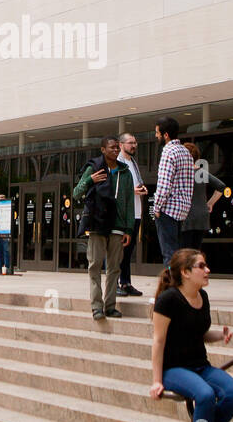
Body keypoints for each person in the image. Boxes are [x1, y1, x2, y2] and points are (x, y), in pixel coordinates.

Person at [148, 248, 233, 422]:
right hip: (174, 369)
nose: (207, 270)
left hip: (201, 365)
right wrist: (156, 381)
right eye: (201, 266)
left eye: (205, 265)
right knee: (205, 395)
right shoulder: (168, 300)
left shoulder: (203, 297)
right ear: (185, 272)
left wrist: (219, 336)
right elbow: (158, 341)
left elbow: (199, 333)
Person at [72, 135, 135, 320]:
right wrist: (90, 180)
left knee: (114, 268)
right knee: (95, 266)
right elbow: (76, 193)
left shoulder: (125, 172)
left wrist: (129, 229)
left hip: (118, 226)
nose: (115, 150)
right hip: (97, 224)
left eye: (117, 147)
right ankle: (96, 306)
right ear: (102, 150)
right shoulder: (94, 167)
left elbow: (130, 202)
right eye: (111, 147)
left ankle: (110, 306)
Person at [151, 116, 194, 266]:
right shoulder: (185, 152)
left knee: (169, 254)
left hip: (168, 209)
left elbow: (164, 184)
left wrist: (156, 208)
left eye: (157, 133)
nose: (156, 136)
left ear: (166, 135)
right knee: (178, 254)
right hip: (182, 210)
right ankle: (181, 285)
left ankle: (172, 286)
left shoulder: (168, 152)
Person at [115, 132, 147, 296]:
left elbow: (135, 185)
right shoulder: (116, 163)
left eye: (135, 142)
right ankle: (113, 284)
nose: (134, 145)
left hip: (135, 213)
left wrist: (141, 189)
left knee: (128, 252)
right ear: (121, 145)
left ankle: (126, 283)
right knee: (116, 251)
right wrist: (131, 190)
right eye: (130, 143)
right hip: (121, 215)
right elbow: (113, 188)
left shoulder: (133, 163)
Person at [180, 142, 226, 250]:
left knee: (184, 251)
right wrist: (210, 203)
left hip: (186, 217)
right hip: (202, 217)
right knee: (196, 249)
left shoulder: (181, 174)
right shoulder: (201, 173)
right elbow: (221, 186)